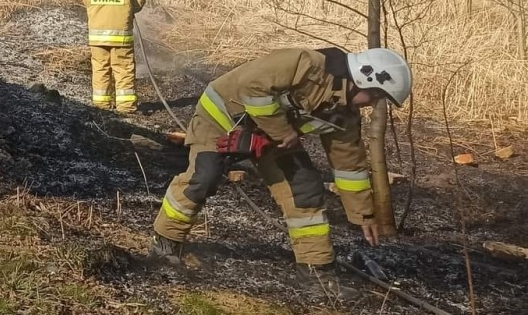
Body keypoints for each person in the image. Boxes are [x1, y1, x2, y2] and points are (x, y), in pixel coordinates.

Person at [149, 45, 412, 293]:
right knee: (202, 179)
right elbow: (252, 89)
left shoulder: (344, 115)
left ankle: (316, 273)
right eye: (376, 95)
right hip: (221, 120)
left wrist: (364, 215)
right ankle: (165, 242)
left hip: (273, 136)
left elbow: (349, 167)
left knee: (305, 190)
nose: (373, 104)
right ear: (364, 78)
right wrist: (282, 131)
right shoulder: (304, 64)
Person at [81, 0, 145, 114]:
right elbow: (139, 3)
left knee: (100, 69)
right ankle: (126, 108)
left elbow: (86, 1)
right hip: (122, 37)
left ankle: (102, 106)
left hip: (97, 38)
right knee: (124, 70)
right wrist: (125, 9)